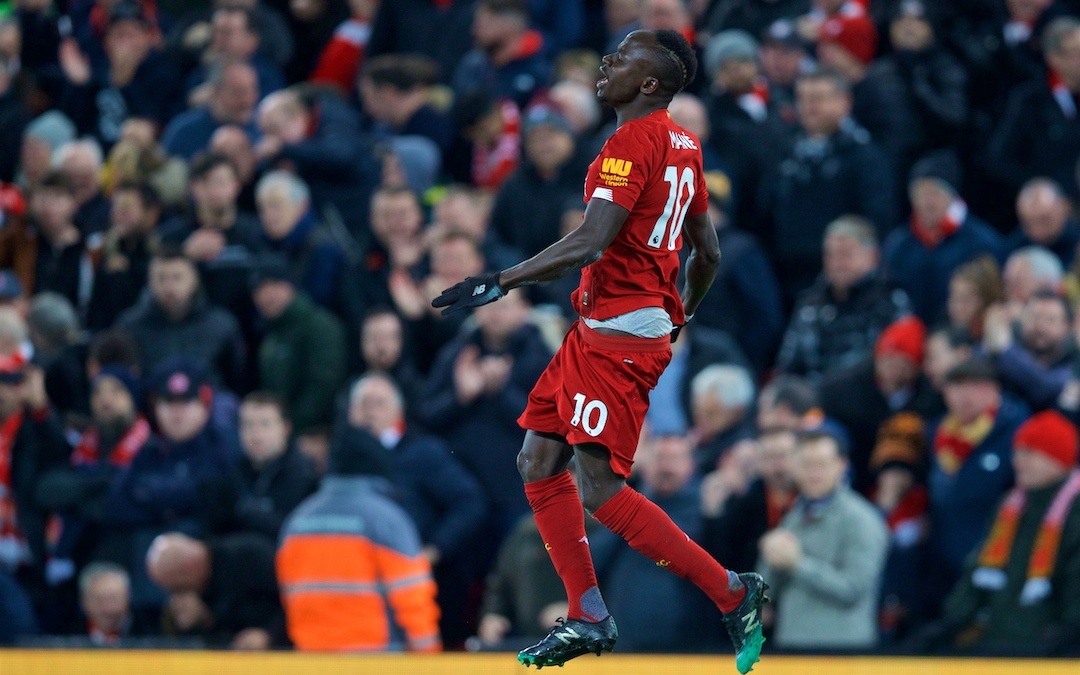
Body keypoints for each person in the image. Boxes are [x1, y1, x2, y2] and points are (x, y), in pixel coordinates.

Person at [432, 29, 767, 672]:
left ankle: (730, 592)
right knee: (537, 459)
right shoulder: (685, 145)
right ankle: (587, 611)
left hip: (617, 333)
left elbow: (589, 242)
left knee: (599, 486)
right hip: (608, 328)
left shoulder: (629, 142)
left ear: (649, 84)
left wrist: (499, 280)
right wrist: (677, 317)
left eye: (623, 58)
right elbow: (709, 253)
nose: (607, 63)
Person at [276, 423, 441, 652]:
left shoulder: (297, 522)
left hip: (312, 659)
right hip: (375, 660)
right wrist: (429, 654)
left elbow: (289, 595)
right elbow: (412, 595)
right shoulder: (386, 520)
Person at [757, 429, 889, 649]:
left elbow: (853, 590)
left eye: (822, 464)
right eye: (806, 464)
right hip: (791, 648)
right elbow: (767, 594)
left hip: (844, 651)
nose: (813, 473)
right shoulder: (793, 517)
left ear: (842, 466)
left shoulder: (863, 520)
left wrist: (797, 564)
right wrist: (769, 557)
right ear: (794, 467)